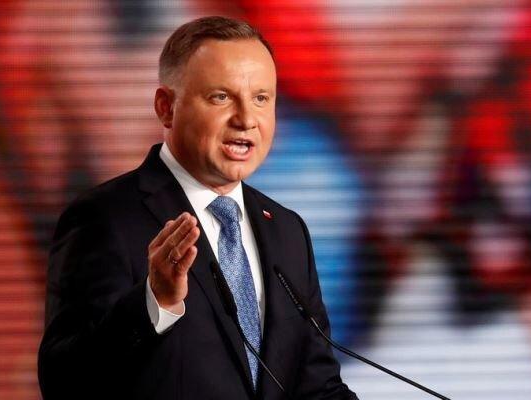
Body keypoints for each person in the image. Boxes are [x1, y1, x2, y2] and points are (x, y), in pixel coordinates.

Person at [38, 16, 358, 400]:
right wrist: (154, 302)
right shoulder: (105, 218)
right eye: (221, 97)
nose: (246, 119)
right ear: (166, 107)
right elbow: (64, 382)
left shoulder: (287, 230)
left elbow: (317, 388)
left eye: (261, 98)